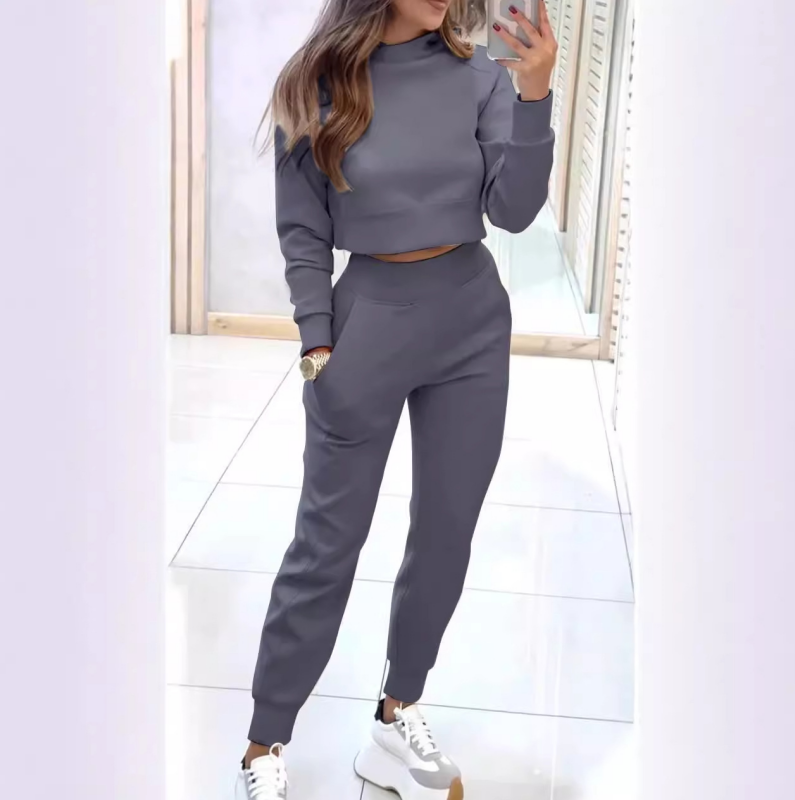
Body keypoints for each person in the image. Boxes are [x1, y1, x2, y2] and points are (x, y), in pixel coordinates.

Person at [235, 1, 557, 797]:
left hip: (471, 321)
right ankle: (264, 745)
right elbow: (302, 226)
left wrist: (535, 95)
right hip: (367, 326)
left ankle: (396, 713)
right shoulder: (314, 83)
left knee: (447, 532)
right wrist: (317, 338)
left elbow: (513, 212)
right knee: (326, 544)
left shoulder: (480, 77)